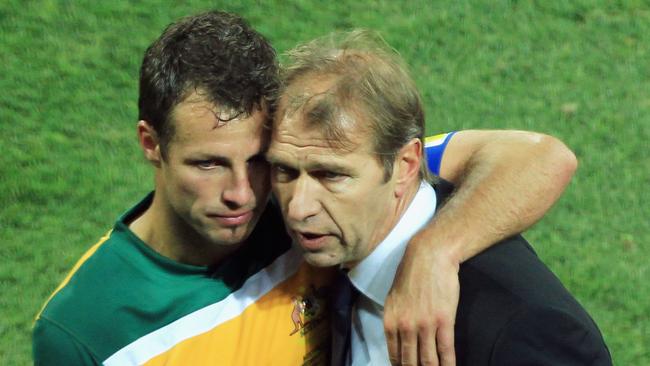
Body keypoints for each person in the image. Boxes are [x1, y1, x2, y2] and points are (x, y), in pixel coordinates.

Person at [33, 11, 579, 366]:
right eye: (207, 163)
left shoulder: (321, 190)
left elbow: (539, 156)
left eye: (257, 162)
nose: (244, 194)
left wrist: (434, 253)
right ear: (152, 144)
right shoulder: (81, 329)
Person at [267, 29, 612, 366]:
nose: (299, 209)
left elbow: (547, 157)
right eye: (284, 171)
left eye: (331, 175)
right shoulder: (347, 253)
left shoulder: (524, 330)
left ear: (405, 166)